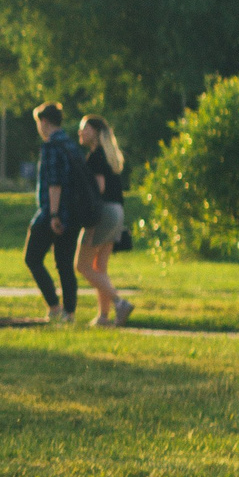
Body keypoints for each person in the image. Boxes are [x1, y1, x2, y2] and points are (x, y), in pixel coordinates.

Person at [24, 103, 89, 323]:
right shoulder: (71, 145)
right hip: (74, 213)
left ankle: (54, 307)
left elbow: (55, 183)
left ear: (44, 121)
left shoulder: (51, 146)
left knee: (32, 257)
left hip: (55, 213)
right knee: (64, 264)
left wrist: (53, 215)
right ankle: (69, 314)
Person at [73, 114, 134, 326]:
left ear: (96, 132)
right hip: (117, 212)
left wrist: (90, 224)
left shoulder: (95, 157)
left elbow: (97, 191)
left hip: (102, 213)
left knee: (82, 266)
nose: (80, 132)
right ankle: (103, 317)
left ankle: (120, 303)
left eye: (85, 128)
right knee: (100, 268)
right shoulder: (109, 157)